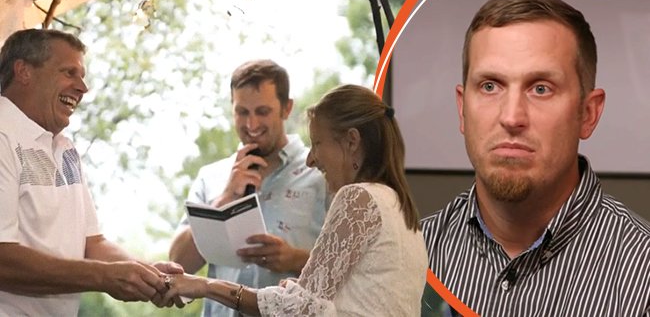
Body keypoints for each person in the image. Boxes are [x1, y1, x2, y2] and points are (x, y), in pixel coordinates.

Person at [420, 0, 650, 316]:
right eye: (490, 86)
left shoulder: (643, 274)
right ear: (462, 109)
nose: (512, 117)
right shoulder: (411, 251)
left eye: (541, 88)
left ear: (588, 114)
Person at [162, 84, 428, 315]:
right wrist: (293, 291)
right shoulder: (399, 206)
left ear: (351, 141)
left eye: (317, 143)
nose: (311, 159)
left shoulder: (358, 198)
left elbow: (300, 311)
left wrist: (206, 286)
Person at [0, 29, 183, 316]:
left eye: (82, 75)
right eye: (69, 72)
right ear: (23, 71)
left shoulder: (65, 148)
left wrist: (145, 273)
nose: (82, 87)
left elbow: (92, 243)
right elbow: (3, 261)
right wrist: (104, 277)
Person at [169, 59, 328, 316]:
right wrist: (225, 198)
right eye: (242, 112)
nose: (251, 124)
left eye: (262, 111)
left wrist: (295, 259)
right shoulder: (210, 177)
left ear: (286, 108)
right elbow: (177, 263)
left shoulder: (323, 174)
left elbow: (353, 268)